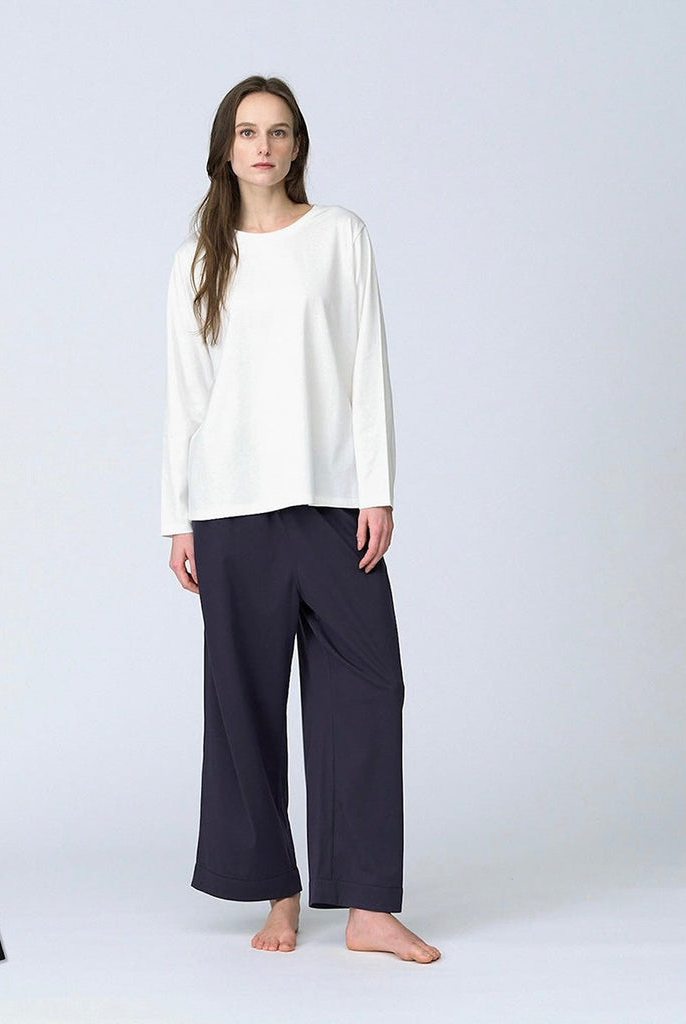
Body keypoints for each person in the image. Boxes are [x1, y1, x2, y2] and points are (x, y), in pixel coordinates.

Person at [160, 75, 440, 964]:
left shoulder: (339, 236)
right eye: (248, 132)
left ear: (296, 146)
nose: (264, 146)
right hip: (230, 509)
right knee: (243, 704)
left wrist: (377, 489)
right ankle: (277, 892)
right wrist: (178, 518)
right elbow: (185, 397)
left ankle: (367, 907)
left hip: (329, 501)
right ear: (225, 148)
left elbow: (367, 364)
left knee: (370, 689)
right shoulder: (199, 260)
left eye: (278, 131)